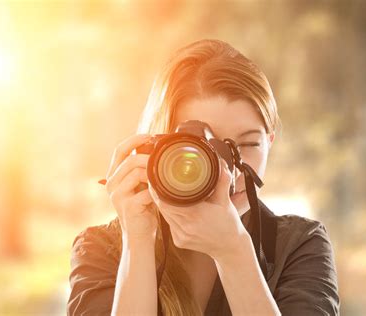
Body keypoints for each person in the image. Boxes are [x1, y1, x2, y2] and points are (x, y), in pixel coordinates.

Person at [67, 39, 340, 315]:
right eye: (199, 149)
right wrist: (137, 243)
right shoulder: (101, 249)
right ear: (157, 149)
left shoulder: (300, 245)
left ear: (270, 142)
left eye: (246, 145)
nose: (226, 172)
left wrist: (234, 251)